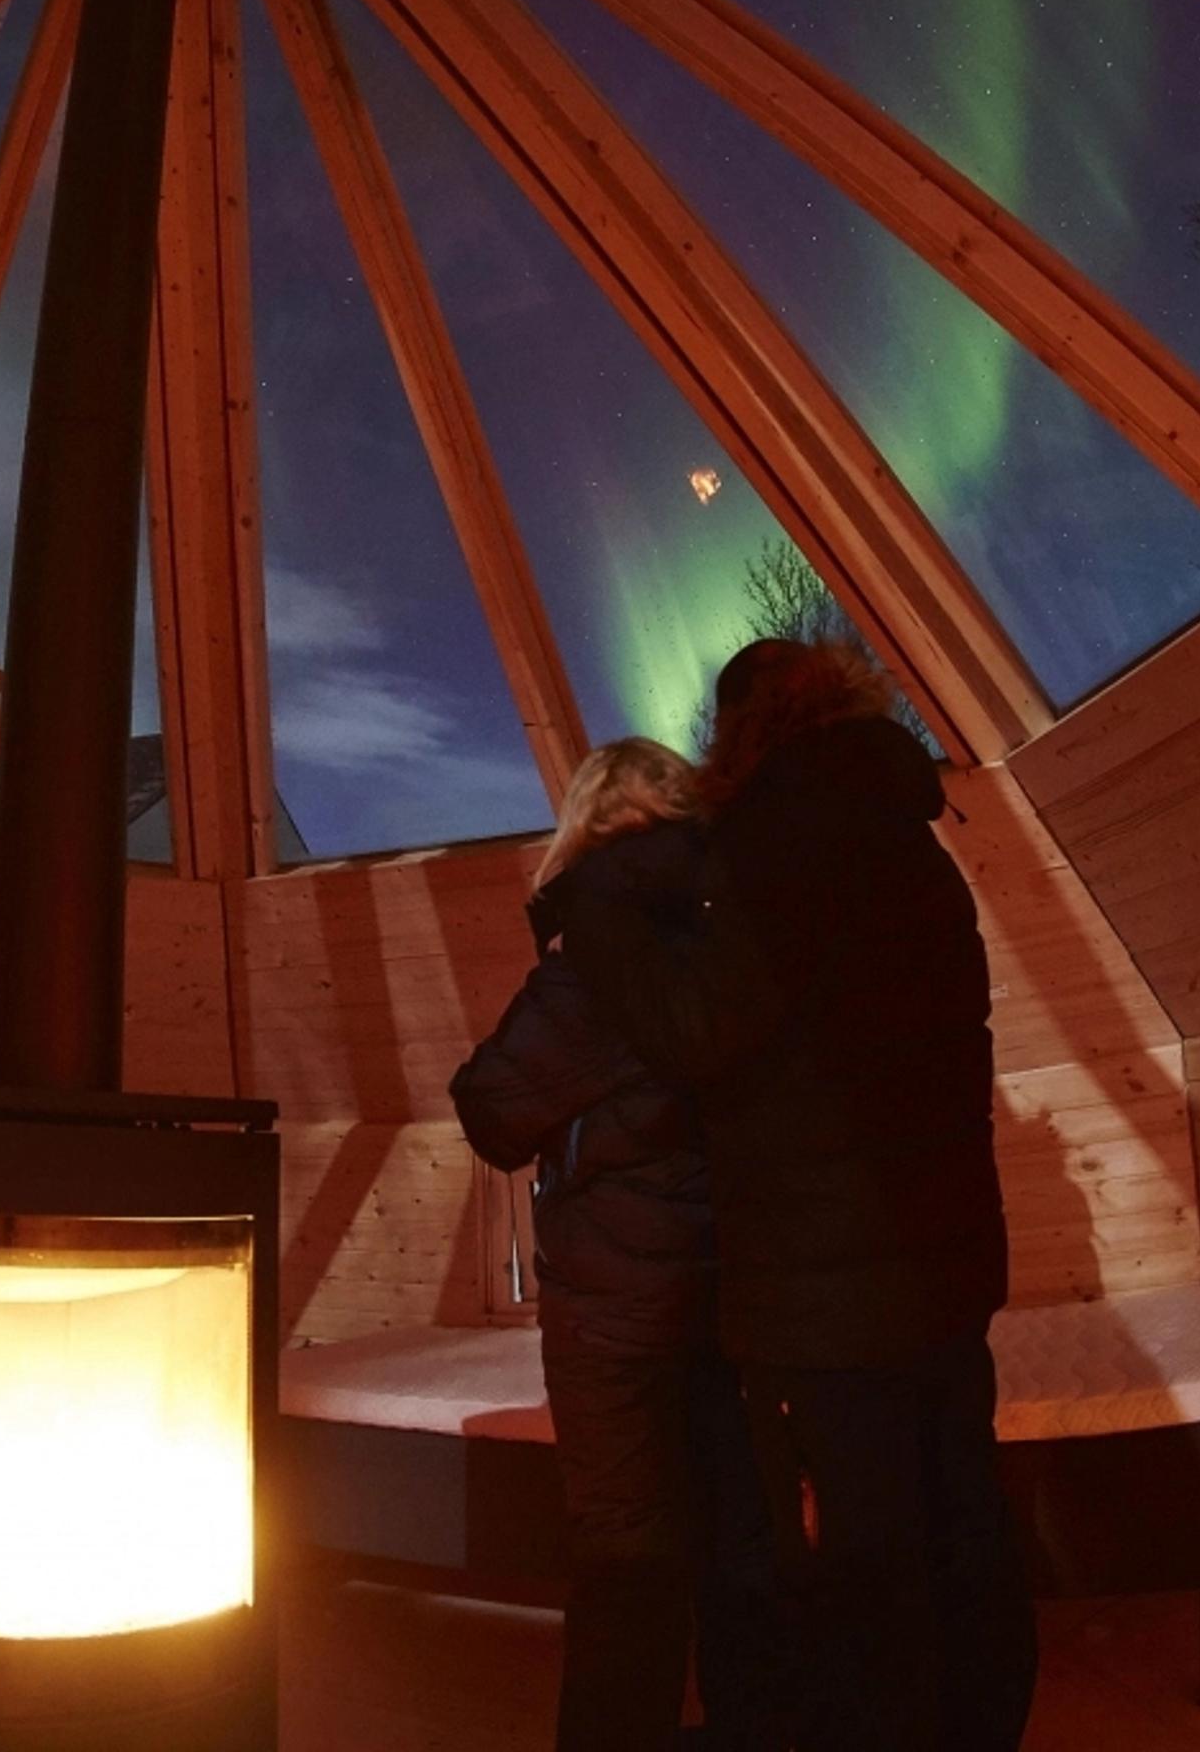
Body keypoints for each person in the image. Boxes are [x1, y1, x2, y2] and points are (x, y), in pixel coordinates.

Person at [563, 640, 1034, 1752]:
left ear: (740, 732)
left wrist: (596, 904)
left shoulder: (781, 846)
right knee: (964, 1528)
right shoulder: (912, 847)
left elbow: (696, 1031)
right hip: (946, 1265)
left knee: (861, 1571)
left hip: (826, 1310)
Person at [451, 741, 785, 1750]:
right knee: (743, 1548)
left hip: (613, 1316)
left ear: (590, 826)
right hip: (740, 1297)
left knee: (627, 1561)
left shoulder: (594, 954)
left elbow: (495, 1112)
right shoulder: (742, 936)